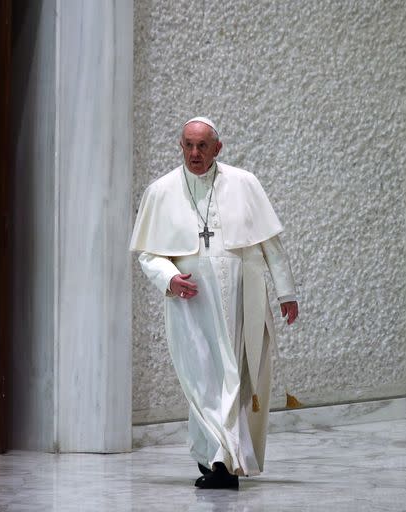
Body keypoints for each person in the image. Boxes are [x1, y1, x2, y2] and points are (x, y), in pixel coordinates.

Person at [130, 117, 299, 489]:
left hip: (240, 296)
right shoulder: (161, 191)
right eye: (188, 145)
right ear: (180, 146)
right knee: (201, 378)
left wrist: (287, 293)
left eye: (202, 146)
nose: (194, 153)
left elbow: (271, 245)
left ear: (217, 148)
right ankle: (214, 457)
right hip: (191, 302)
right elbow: (147, 254)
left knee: (234, 377)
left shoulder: (244, 183)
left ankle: (223, 462)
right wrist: (170, 278)